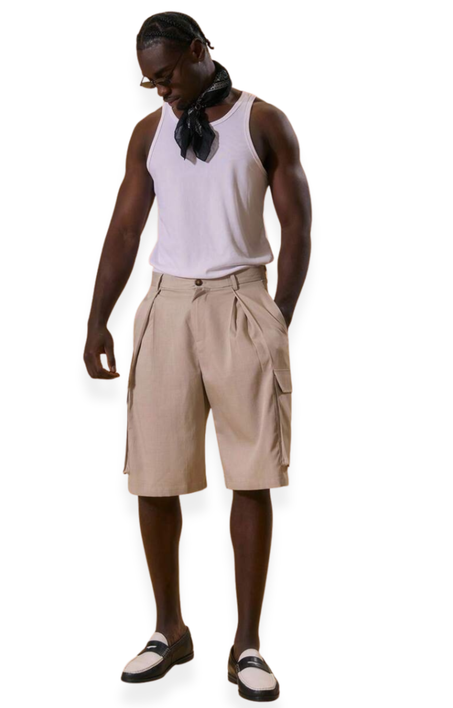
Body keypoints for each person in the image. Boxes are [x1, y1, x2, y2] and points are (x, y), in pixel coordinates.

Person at [83, 11, 311, 702]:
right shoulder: (149, 133)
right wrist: (97, 319)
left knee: (251, 474)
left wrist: (277, 317)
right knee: (154, 476)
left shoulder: (262, 121)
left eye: (167, 74)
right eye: (150, 81)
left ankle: (248, 644)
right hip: (168, 304)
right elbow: (126, 229)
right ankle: (169, 631)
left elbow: (297, 224)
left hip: (242, 299)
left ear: (198, 50)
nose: (161, 89)